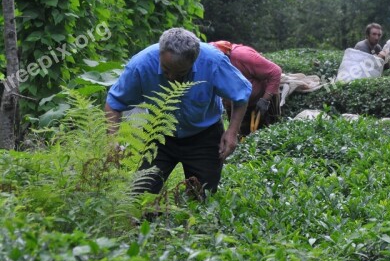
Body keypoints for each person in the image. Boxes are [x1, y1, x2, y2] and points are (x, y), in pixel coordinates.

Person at [105, 28, 252, 195]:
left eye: (181, 73)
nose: (172, 78)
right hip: (159, 136)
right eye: (166, 70)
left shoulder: (213, 61)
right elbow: (114, 103)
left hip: (204, 136)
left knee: (202, 198)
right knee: (139, 197)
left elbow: (241, 94)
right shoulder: (141, 65)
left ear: (194, 60)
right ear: (160, 54)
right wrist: (112, 140)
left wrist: (232, 131)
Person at [209, 41, 282, 135]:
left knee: (267, 135)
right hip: (237, 105)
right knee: (241, 137)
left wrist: (265, 100)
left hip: (261, 101)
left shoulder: (242, 56)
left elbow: (275, 71)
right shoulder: (209, 63)